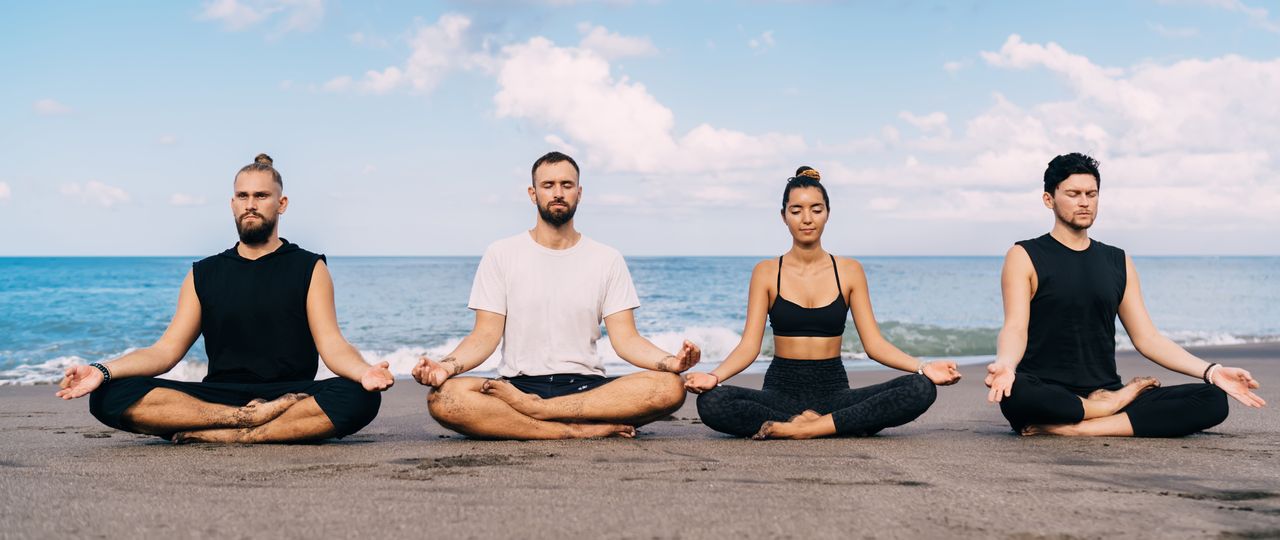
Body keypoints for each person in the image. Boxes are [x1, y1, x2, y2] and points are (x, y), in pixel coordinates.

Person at [56, 154, 393, 443]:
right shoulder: (204, 273)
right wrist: (102, 370)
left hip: (292, 392)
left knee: (360, 397)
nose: (251, 205)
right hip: (219, 395)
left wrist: (363, 372)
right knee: (108, 397)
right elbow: (165, 351)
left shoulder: (309, 267)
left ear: (281, 203)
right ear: (232, 204)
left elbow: (332, 345)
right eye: (242, 196)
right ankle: (243, 422)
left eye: (261, 196)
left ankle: (235, 435)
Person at [412, 151, 700, 440]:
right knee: (445, 397)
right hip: (515, 387)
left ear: (579, 192)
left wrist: (670, 362)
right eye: (548, 185)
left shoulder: (607, 258)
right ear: (533, 193)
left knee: (670, 387)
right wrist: (445, 366)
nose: (558, 193)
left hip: (587, 390)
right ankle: (568, 430)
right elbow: (484, 335)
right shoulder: (501, 254)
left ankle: (541, 413)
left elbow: (627, 340)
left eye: (567, 185)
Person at [985, 153, 1266, 437]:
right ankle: (1107, 408)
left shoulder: (1118, 260)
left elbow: (1148, 338)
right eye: (1073, 194)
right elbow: (1015, 327)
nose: (1084, 202)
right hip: (1048, 392)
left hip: (1105, 389)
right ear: (1049, 199)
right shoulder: (1024, 255)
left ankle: (1082, 428)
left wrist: (1213, 371)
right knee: (1016, 392)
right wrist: (1006, 365)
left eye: (1091, 194)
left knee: (1213, 399)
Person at [685, 167, 961, 439]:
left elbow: (874, 345)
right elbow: (749, 346)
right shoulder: (767, 272)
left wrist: (924, 367)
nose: (807, 219)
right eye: (796, 211)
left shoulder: (849, 270)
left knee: (921, 388)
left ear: (827, 213)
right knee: (712, 401)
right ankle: (828, 425)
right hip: (779, 393)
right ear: (783, 217)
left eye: (816, 210)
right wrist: (714, 376)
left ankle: (809, 428)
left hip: (834, 393)